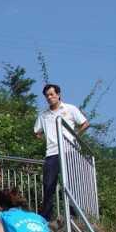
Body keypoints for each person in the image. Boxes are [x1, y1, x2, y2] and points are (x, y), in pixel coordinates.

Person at [34, 84, 89, 221]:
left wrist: (74, 136)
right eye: (47, 95)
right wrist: (48, 139)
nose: (49, 97)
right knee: (48, 184)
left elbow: (85, 123)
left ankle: (73, 215)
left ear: (58, 94)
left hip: (69, 150)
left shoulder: (70, 109)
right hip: (51, 152)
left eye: (52, 94)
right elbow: (36, 132)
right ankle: (46, 216)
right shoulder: (43, 115)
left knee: (71, 183)